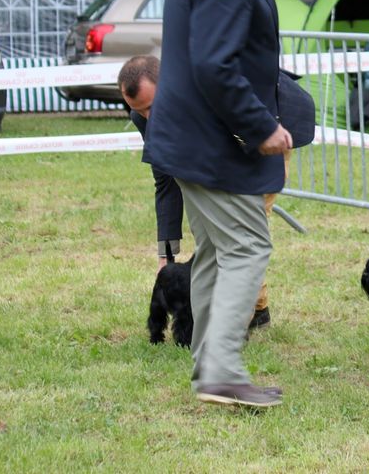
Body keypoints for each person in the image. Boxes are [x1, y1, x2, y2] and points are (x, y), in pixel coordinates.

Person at [143, 0, 309, 409]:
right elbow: (216, 64)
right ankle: (221, 372)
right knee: (248, 245)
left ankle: (209, 367)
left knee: (218, 249)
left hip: (192, 137)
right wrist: (261, 127)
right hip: (210, 140)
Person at [117, 55, 272, 330]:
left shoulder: (207, 93)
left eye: (151, 107)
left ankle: (231, 326)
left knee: (236, 235)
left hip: (265, 137)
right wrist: (166, 255)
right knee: (215, 237)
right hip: (214, 158)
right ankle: (254, 311)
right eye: (139, 111)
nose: (149, 118)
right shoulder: (146, 118)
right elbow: (166, 180)